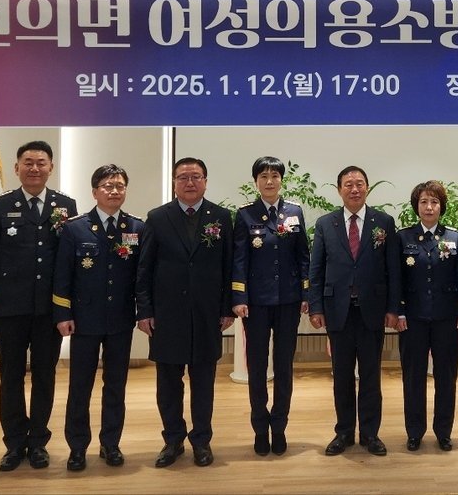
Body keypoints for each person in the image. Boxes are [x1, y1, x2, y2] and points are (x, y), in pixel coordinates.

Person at [0, 140, 78, 471]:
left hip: (50, 310)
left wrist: (67, 308)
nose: (35, 168)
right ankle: (14, 443)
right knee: (11, 377)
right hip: (10, 309)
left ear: (51, 167)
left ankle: (38, 443)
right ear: (17, 167)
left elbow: (70, 260)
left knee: (45, 376)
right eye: (28, 162)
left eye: (41, 162)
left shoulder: (66, 205)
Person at [135, 157, 235, 468]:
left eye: (196, 177)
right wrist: (144, 310)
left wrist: (227, 308)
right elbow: (144, 269)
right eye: (183, 177)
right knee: (168, 383)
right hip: (167, 315)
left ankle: (201, 441)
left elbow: (228, 266)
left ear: (205, 181)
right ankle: (173, 440)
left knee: (203, 383)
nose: (189, 182)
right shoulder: (157, 217)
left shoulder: (221, 217)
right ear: (174, 182)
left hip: (207, 315)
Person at [52, 164, 145, 471]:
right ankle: (77, 447)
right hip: (84, 320)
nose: (114, 191)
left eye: (119, 186)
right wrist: (63, 313)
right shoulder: (75, 228)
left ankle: (111, 443)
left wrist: (143, 313)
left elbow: (142, 277)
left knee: (116, 386)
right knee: (80, 386)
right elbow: (62, 276)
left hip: (120, 320)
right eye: (107, 186)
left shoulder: (136, 228)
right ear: (94, 192)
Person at [308, 165, 401, 457]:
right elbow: (316, 269)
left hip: (372, 310)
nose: (354, 189)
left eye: (359, 183)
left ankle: (370, 434)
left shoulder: (383, 222)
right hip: (338, 311)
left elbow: (393, 269)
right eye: (348, 184)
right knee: (342, 376)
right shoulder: (326, 223)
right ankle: (344, 432)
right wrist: (316, 307)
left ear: (367, 188)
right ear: (339, 190)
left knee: (371, 376)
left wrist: (393, 308)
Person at [231, 156, 311, 457]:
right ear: (256, 182)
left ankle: (279, 426)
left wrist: (306, 293)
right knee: (257, 367)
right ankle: (259, 428)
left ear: (281, 180)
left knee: (284, 366)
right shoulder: (245, 214)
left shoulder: (294, 212)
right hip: (256, 304)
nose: (269, 181)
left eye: (274, 176)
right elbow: (239, 260)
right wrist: (239, 298)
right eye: (263, 176)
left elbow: (303, 256)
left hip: (289, 301)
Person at [395, 180, 458, 452]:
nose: (429, 207)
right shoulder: (403, 237)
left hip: (446, 318)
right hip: (412, 319)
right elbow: (397, 278)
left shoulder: (454, 237)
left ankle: (443, 432)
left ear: (442, 206)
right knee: (413, 378)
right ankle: (414, 432)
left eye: (434, 202)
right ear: (416, 206)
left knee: (446, 377)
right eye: (424, 202)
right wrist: (399, 311)